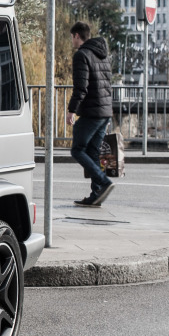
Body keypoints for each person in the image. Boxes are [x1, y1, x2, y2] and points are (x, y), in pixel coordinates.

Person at [65, 20, 114, 207]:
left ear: (77, 36)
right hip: (104, 111)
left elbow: (81, 87)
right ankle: (96, 195)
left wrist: (71, 110)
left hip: (92, 112)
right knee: (93, 151)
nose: (72, 41)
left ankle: (103, 181)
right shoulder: (102, 55)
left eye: (72, 37)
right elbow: (107, 85)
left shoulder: (82, 55)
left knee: (77, 149)